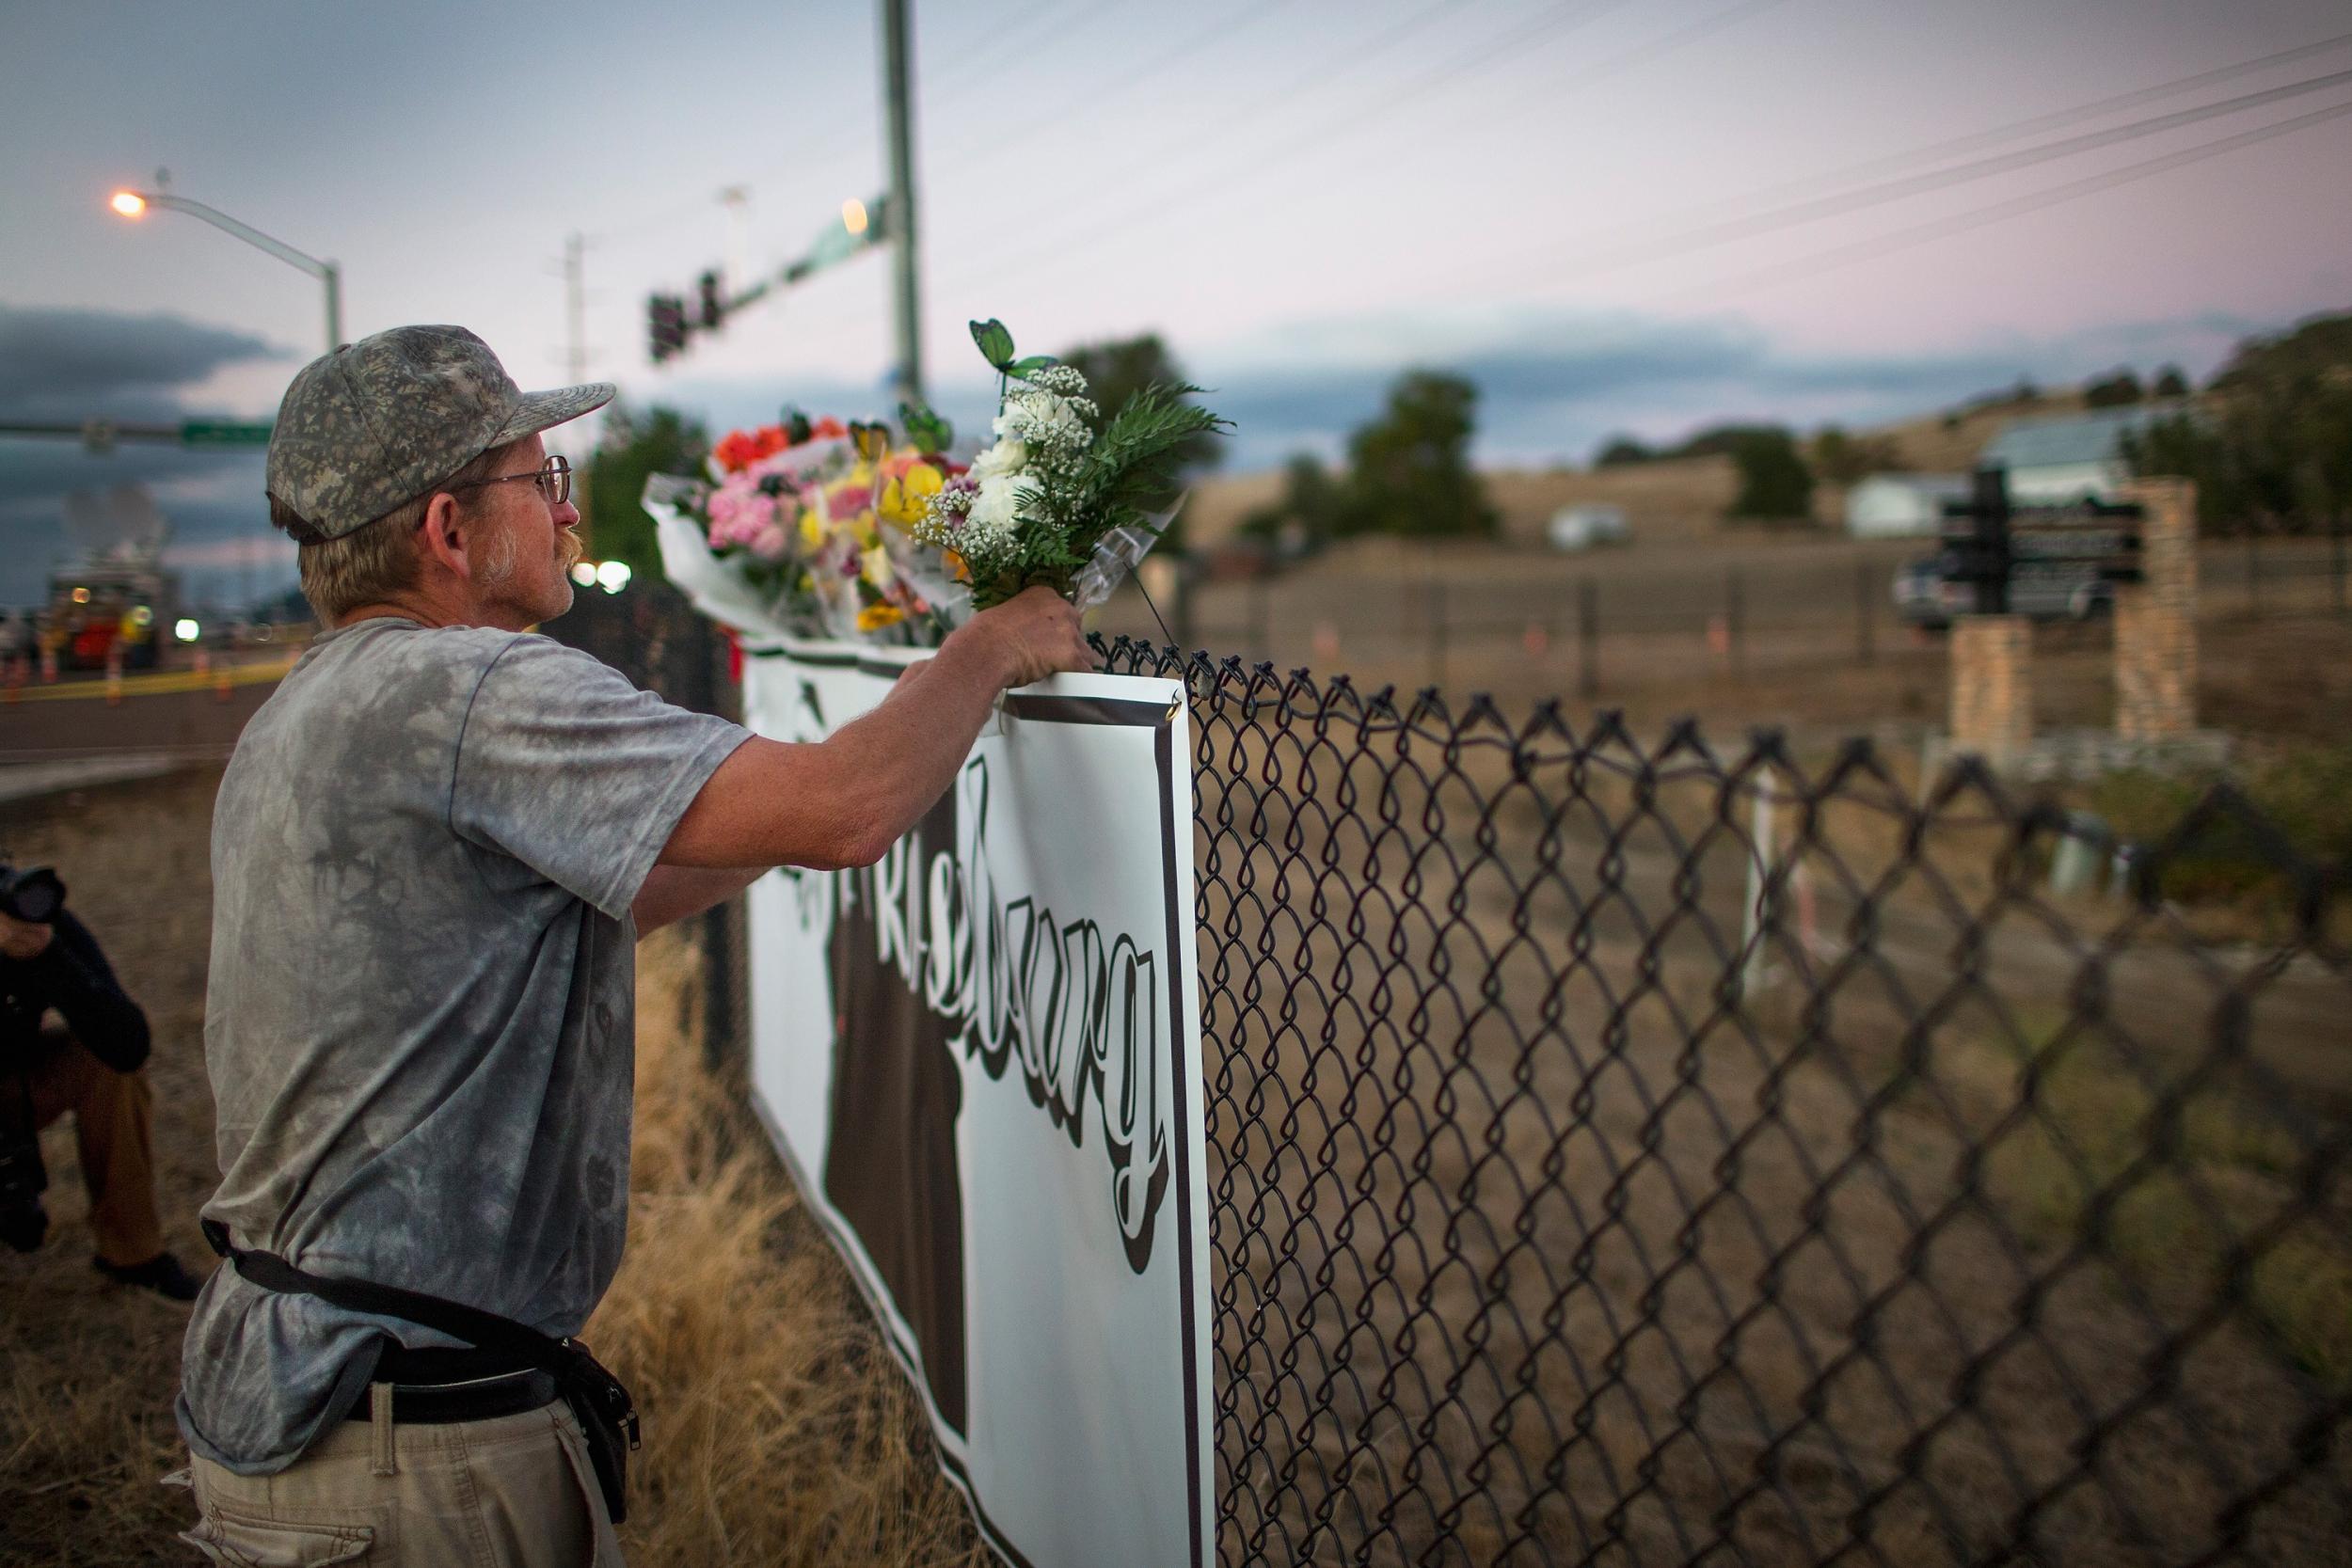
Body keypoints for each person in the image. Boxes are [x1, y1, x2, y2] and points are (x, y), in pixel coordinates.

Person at [174, 325, 1090, 1566]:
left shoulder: (306, 712)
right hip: (412, 1458)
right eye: (541, 479)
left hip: (320, 1404)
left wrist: (769, 800)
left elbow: (620, 888)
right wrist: (988, 646)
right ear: (449, 530)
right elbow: (847, 811)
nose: (566, 510)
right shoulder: (471, 689)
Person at [0, 866, 200, 1300]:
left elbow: (127, 1044)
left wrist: (47, 954)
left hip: (12, 1087)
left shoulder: (24, 911)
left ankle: (133, 1253)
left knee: (104, 1062)